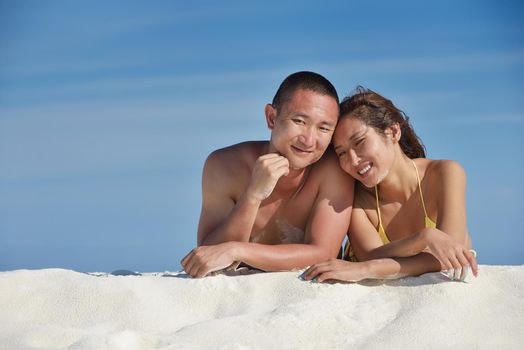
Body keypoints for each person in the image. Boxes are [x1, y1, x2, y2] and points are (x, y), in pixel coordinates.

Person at [181, 71, 355, 278]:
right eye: (299, 121)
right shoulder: (224, 165)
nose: (309, 140)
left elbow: (323, 253)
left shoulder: (332, 169)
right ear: (272, 117)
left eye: (323, 128)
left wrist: (237, 250)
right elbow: (209, 256)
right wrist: (252, 195)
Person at [303, 86, 478, 283]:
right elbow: (370, 256)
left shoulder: (444, 173)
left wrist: (367, 268)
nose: (352, 160)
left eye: (359, 142)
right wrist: (425, 238)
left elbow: (449, 254)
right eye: (341, 152)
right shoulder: (356, 196)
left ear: (393, 132)